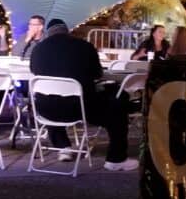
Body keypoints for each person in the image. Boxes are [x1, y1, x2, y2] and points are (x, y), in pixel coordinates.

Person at [29, 19, 137, 171]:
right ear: (67, 31)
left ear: (48, 32)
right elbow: (97, 74)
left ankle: (63, 147)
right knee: (117, 106)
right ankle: (116, 159)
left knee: (52, 97)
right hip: (78, 108)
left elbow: (34, 71)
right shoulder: (84, 46)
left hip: (45, 110)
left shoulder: (37, 49)